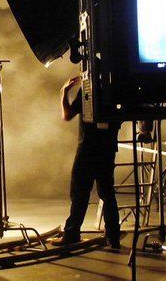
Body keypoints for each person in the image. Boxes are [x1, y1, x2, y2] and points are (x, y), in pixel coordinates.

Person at [52, 76, 121, 247]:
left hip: (88, 148)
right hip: (107, 147)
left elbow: (67, 115)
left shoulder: (88, 88)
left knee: (79, 193)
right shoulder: (115, 87)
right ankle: (113, 237)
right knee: (107, 193)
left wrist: (63, 92)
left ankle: (72, 234)